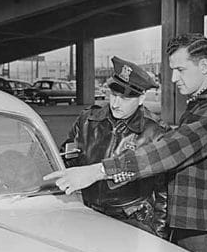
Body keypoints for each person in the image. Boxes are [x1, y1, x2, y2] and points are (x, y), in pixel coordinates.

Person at [45, 34, 207, 252]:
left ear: (203, 66)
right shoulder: (201, 104)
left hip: (205, 229)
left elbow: (167, 151)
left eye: (180, 69)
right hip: (194, 225)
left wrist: (98, 171)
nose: (173, 78)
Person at [59, 56, 169, 239]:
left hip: (132, 221)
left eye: (125, 98)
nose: (116, 104)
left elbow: (163, 192)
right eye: (114, 95)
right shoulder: (88, 121)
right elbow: (67, 160)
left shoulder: (154, 132)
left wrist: (158, 234)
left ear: (141, 98)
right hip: (88, 214)